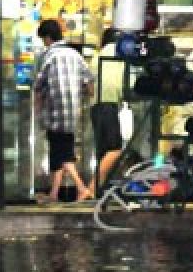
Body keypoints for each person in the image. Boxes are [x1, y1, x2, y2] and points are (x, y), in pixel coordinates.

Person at [33, 19, 94, 202]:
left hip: (55, 112)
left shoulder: (49, 56)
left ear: (48, 38)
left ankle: (82, 188)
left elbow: (39, 86)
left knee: (62, 153)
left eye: (44, 39)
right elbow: (90, 84)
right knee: (60, 151)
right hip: (72, 113)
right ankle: (54, 193)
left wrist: (37, 111)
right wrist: (80, 93)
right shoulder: (75, 55)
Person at [90, 27, 126, 195]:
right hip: (109, 104)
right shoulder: (121, 54)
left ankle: (103, 191)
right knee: (114, 149)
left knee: (103, 151)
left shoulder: (96, 57)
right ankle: (91, 188)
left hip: (95, 106)